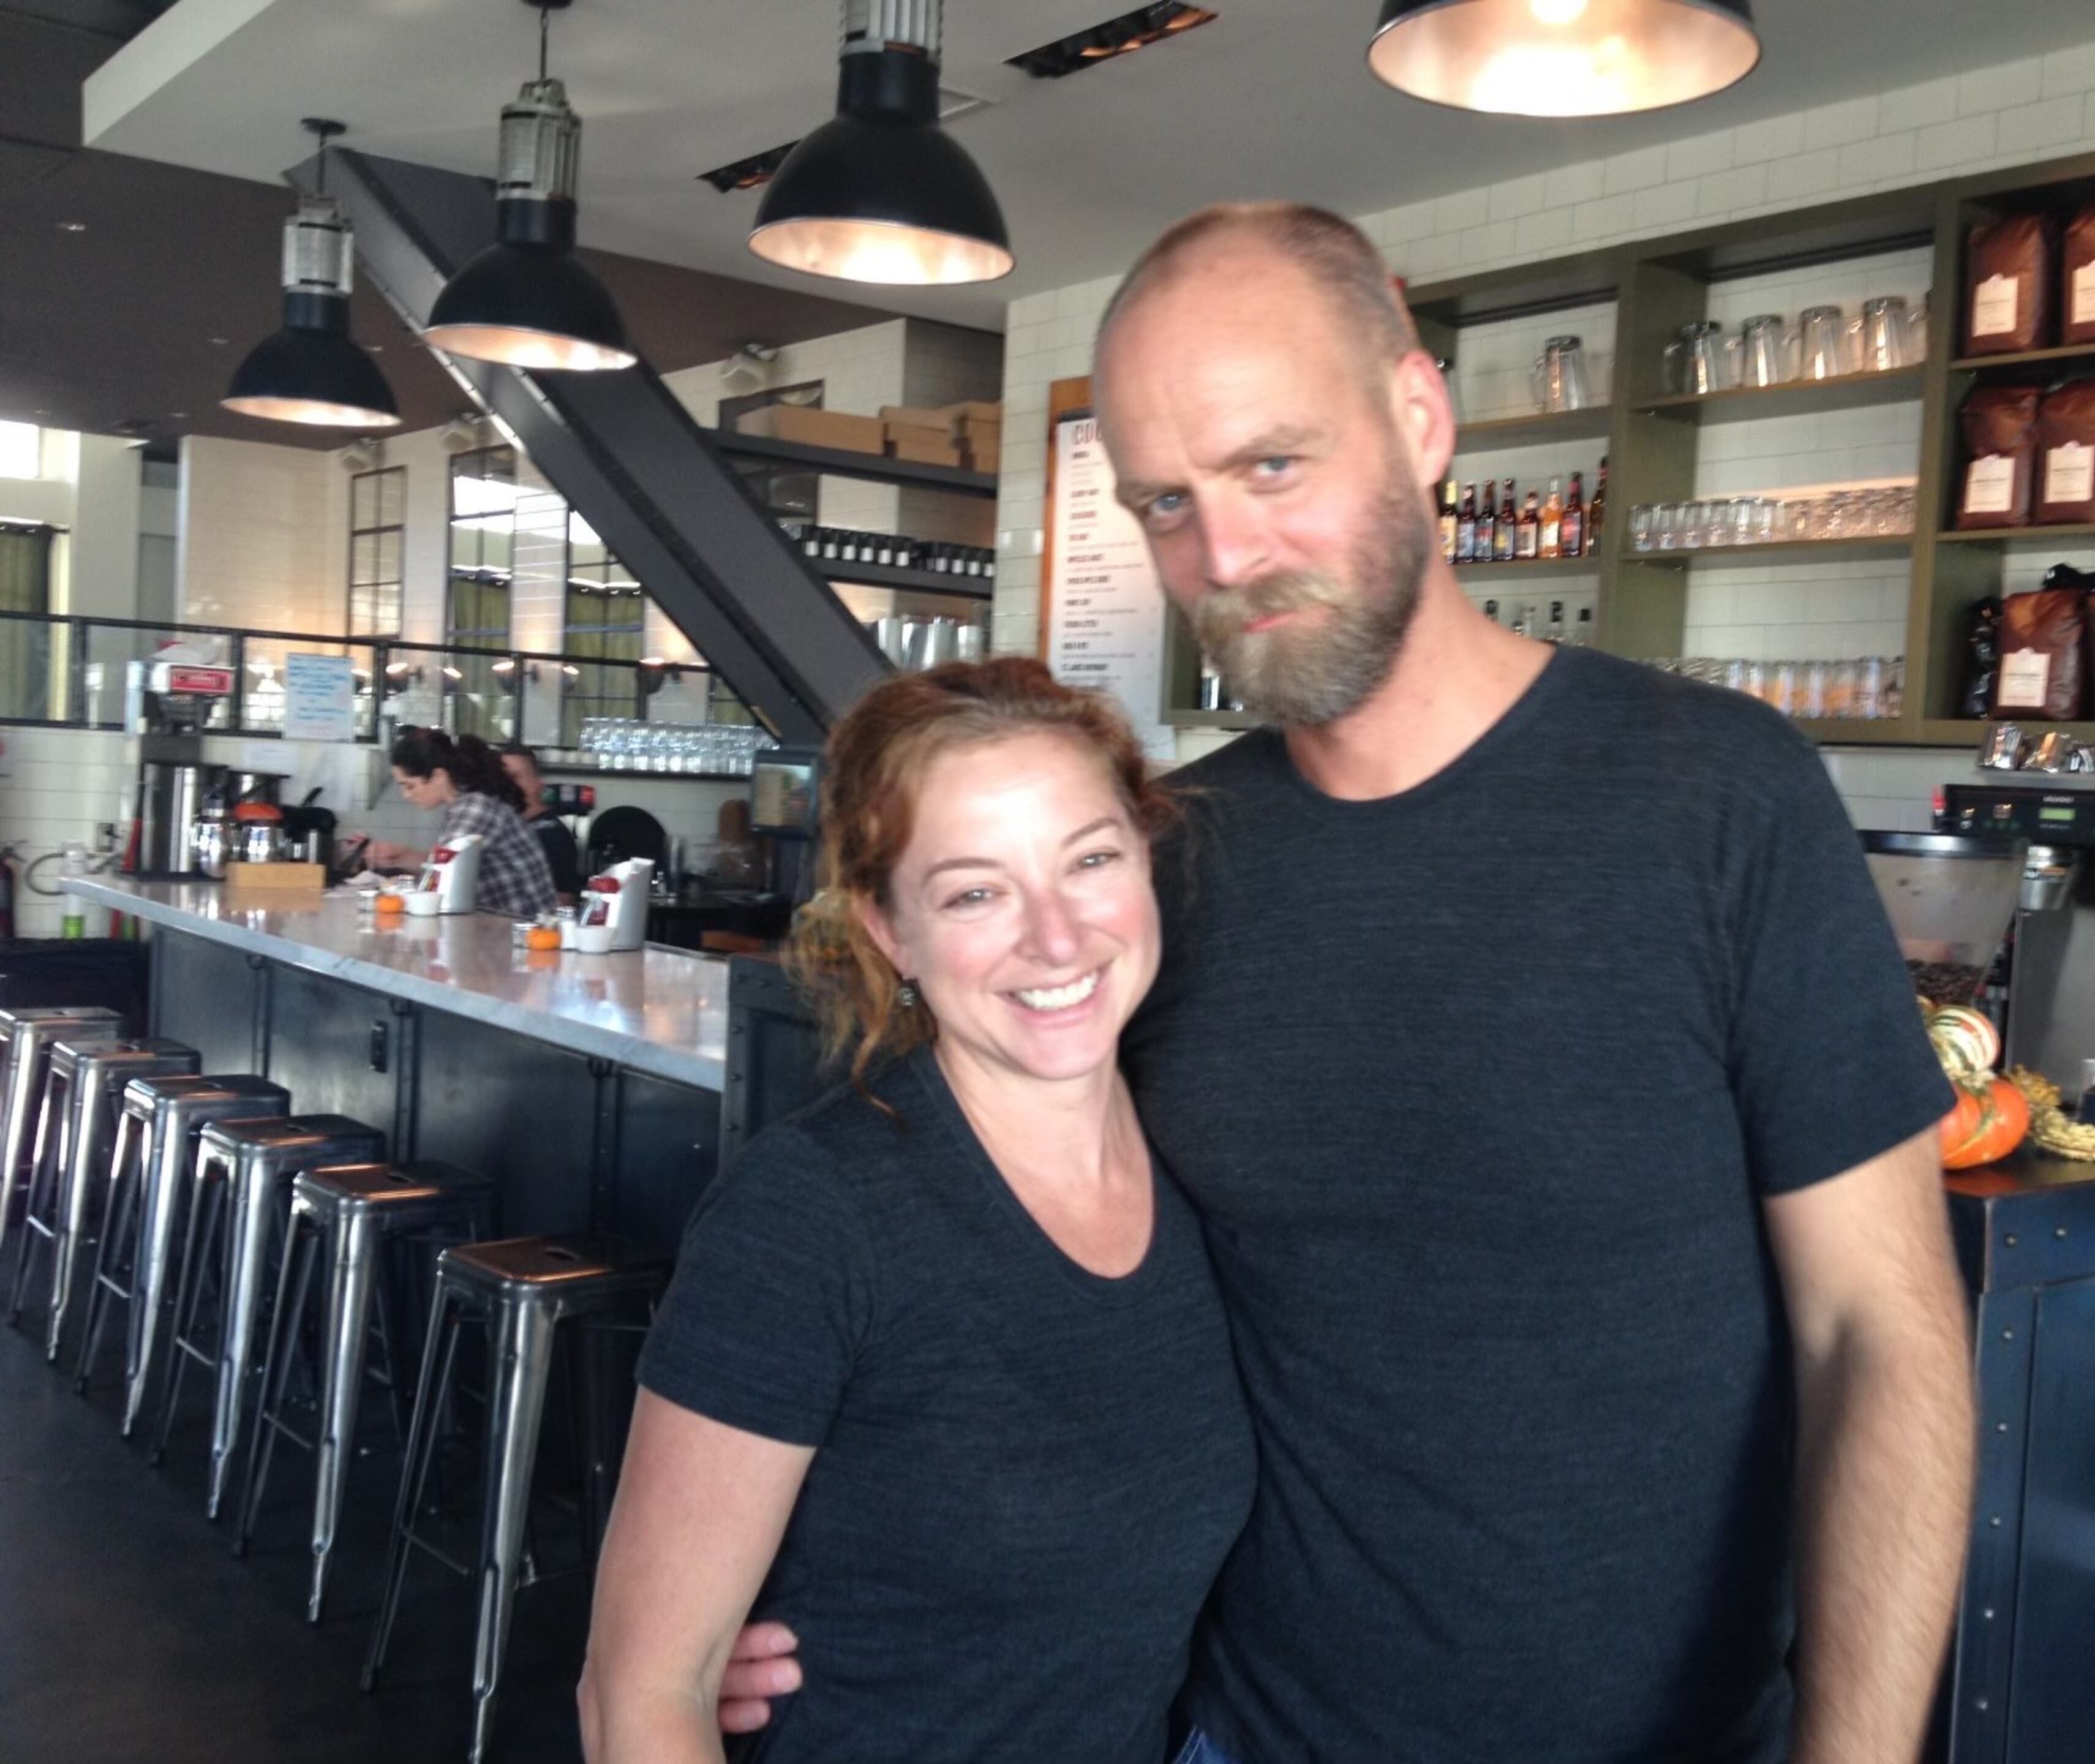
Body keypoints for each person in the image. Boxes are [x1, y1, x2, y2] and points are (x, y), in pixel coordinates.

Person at [720, 203, 1977, 1764]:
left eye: (1271, 464)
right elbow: (969, 1266)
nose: (1225, 557)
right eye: (1166, 503)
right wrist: (788, 1580)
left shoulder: (1717, 799)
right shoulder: (1166, 871)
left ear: (1419, 414)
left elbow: (1882, 1333)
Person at [577, 657, 1255, 1763]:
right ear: (890, 932)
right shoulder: (814, 1217)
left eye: (1089, 860)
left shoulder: (1198, 1157)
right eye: (976, 891)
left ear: (1146, 859)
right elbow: (644, 1694)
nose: (1056, 937)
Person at [364, 726, 558, 920]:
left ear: (439, 776)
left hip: (524, 933)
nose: (406, 795)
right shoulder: (466, 805)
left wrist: (400, 884)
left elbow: (441, 884)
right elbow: (450, 865)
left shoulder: (474, 809)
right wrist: (401, 857)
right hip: (506, 929)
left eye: (410, 785)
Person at [500, 742, 584, 898]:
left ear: (537, 783)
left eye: (515, 777)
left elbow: (564, 899)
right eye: (503, 778)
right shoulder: (507, 828)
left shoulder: (553, 835)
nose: (507, 785)